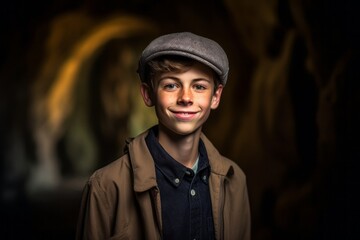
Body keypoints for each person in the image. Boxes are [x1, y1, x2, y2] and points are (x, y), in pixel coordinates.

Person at [76, 32, 251, 240]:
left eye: (199, 86)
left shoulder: (234, 181)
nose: (186, 97)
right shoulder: (106, 187)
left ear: (215, 97)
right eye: (171, 85)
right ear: (148, 94)